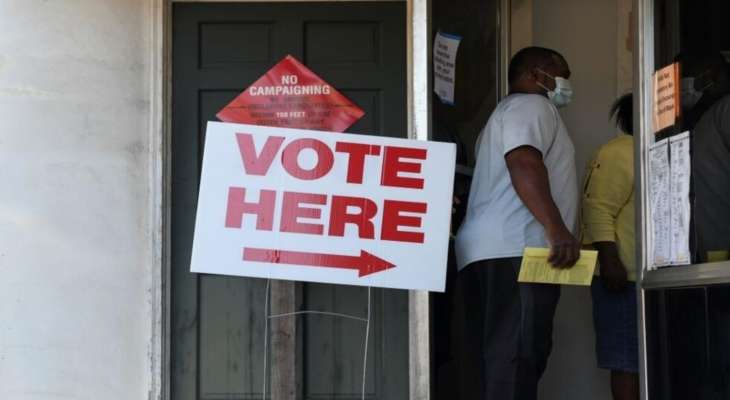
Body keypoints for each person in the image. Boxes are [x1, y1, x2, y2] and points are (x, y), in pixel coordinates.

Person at [454, 46, 580, 399]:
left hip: (491, 252)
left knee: (497, 361)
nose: (567, 83)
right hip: (518, 251)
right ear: (536, 74)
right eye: (562, 73)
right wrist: (556, 229)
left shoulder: (502, 116)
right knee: (517, 358)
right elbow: (524, 163)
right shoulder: (531, 106)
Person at [582, 93, 639, 400]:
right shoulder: (621, 151)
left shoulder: (650, 150)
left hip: (645, 277)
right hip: (623, 277)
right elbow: (598, 208)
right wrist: (610, 261)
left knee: (645, 360)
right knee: (627, 363)